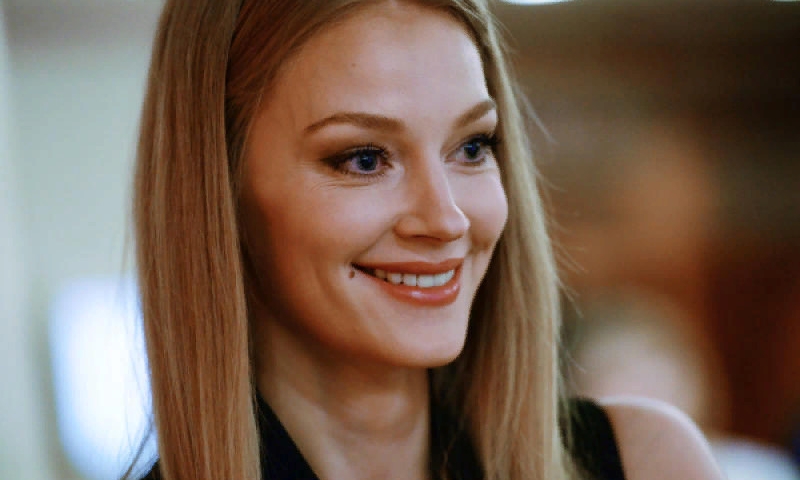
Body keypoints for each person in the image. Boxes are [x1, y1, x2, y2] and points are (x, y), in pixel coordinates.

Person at [129, 1, 724, 479]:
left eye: (472, 147)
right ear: (219, 187)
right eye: (364, 158)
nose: (447, 220)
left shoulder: (646, 462)